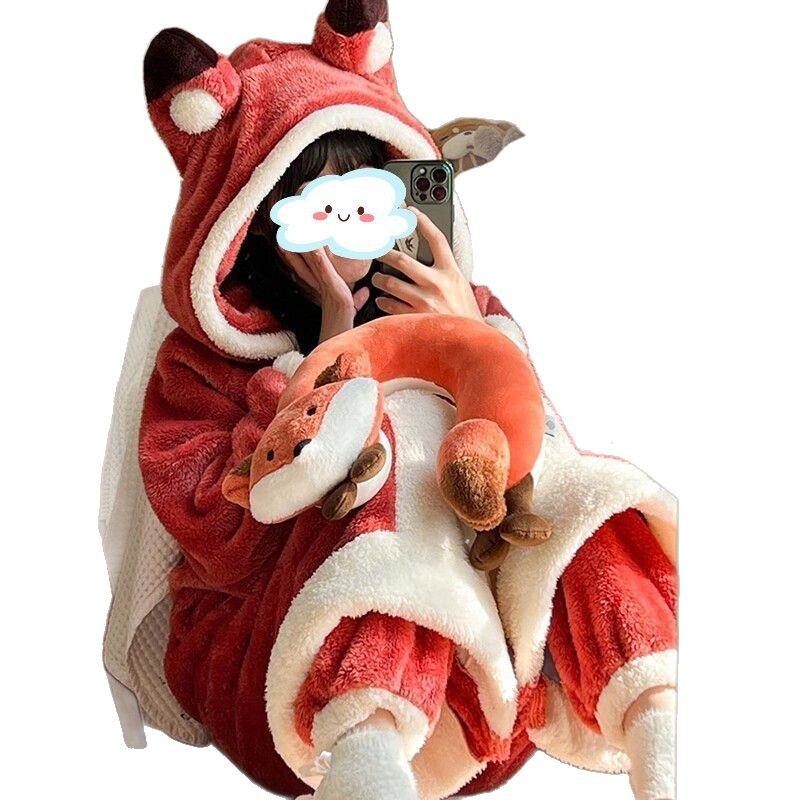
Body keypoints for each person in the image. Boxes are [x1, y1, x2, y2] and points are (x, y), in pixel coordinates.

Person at [112, 5, 678, 800]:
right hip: (290, 679)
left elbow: (526, 459)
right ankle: (368, 753)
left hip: (482, 683)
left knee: (569, 487)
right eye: (320, 210)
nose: (354, 229)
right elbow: (228, 528)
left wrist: (471, 334)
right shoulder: (200, 365)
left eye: (367, 198)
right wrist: (329, 362)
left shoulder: (460, 299)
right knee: (378, 445)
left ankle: (655, 711)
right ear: (257, 227)